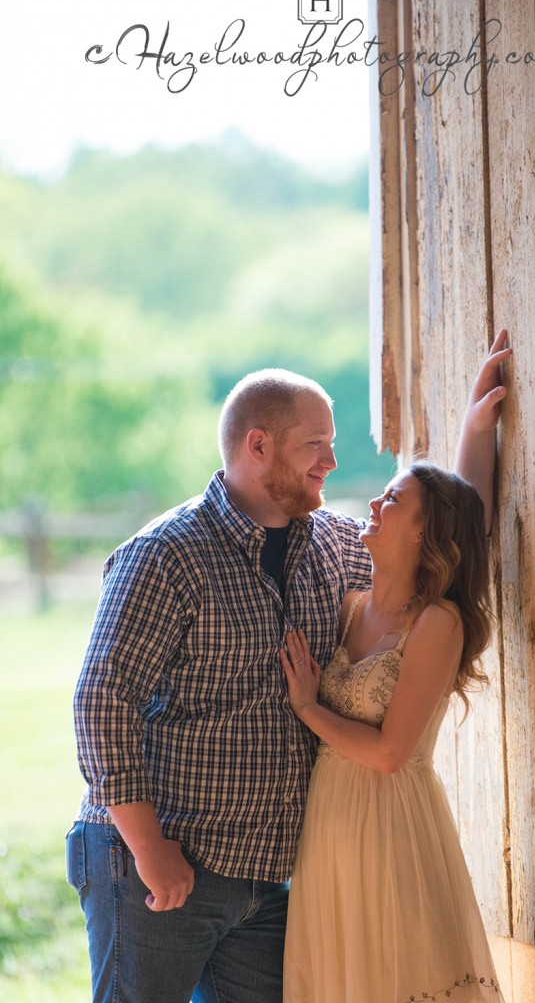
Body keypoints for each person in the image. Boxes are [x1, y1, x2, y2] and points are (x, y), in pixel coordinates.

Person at [67, 332, 511, 1003]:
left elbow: (443, 539)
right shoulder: (166, 555)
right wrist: (150, 849)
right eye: (316, 445)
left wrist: (477, 431)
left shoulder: (333, 547)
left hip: (273, 882)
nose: (333, 462)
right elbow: (101, 701)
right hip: (161, 861)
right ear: (258, 445)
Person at [280, 461, 506, 1002]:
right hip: (329, 826)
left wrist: (308, 707)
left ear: (423, 531)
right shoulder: (349, 608)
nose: (375, 505)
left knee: (397, 975)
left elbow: (389, 753)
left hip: (392, 825)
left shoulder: (439, 623)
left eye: (391, 499)